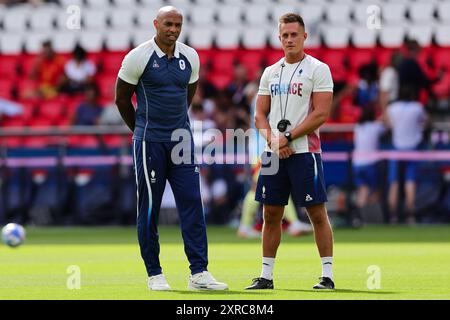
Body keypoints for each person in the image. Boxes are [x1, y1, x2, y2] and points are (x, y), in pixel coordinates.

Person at [115, 6, 227, 291]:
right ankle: (154, 273)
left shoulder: (190, 57)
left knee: (192, 203)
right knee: (149, 208)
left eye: (178, 24)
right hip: (149, 142)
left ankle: (199, 273)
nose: (173, 30)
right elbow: (122, 100)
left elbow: (186, 98)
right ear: (156, 24)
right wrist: (142, 131)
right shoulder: (137, 57)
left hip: (182, 142)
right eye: (168, 24)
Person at [245, 13, 335, 290]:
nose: (289, 39)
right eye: (285, 35)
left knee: (315, 212)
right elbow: (260, 114)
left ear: (304, 36)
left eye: (294, 34)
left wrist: (285, 138)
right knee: (271, 214)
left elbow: (321, 114)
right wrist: (273, 141)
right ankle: (266, 276)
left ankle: (327, 275)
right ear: (279, 37)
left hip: (305, 151)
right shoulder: (270, 72)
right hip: (274, 152)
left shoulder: (318, 69)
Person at [385, 86, 428, 224]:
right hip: (412, 149)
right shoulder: (417, 107)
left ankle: (393, 217)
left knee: (394, 183)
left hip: (397, 149)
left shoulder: (392, 108)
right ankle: (410, 216)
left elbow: (386, 123)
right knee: (410, 182)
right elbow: (426, 121)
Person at [352, 107, 386, 224]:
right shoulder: (376, 127)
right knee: (375, 191)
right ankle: (374, 218)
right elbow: (386, 124)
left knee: (363, 190)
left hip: (357, 163)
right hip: (371, 163)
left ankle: (359, 218)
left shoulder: (358, 127)